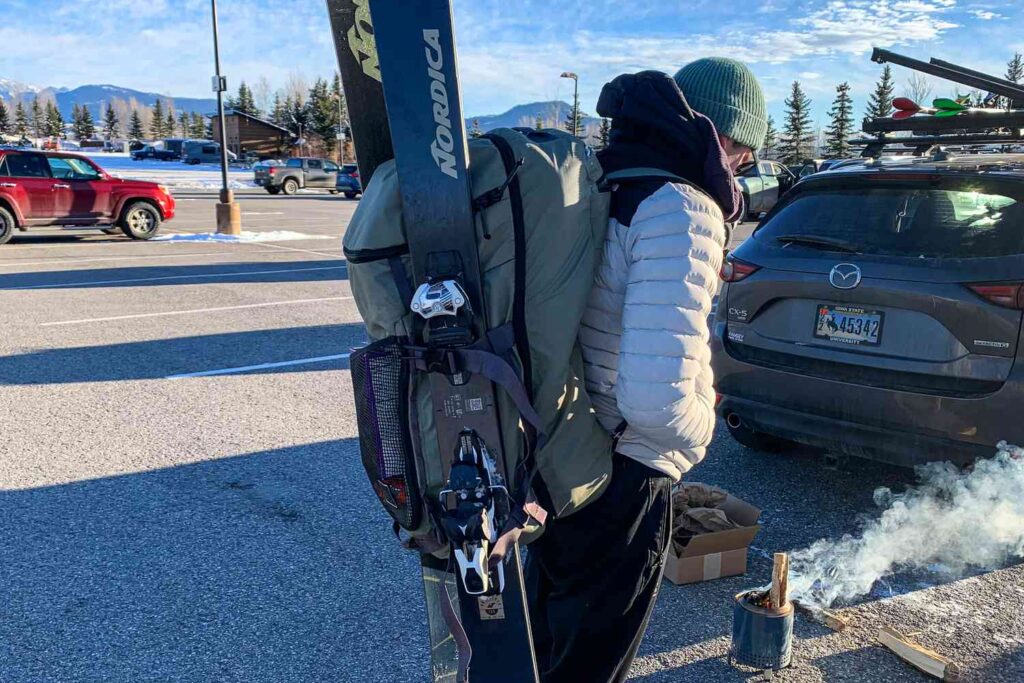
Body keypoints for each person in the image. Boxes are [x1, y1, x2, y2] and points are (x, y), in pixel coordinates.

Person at [525, 58, 767, 683]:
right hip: (621, 466)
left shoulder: (600, 178)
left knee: (544, 638)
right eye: (744, 153)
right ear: (724, 138)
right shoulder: (683, 207)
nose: (741, 167)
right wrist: (694, 436)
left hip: (554, 444)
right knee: (592, 660)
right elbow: (654, 394)